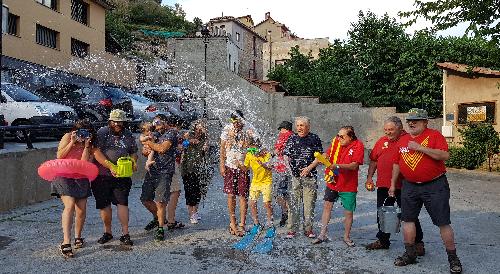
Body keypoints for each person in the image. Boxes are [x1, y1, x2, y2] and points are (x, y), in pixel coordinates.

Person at [389, 108, 462, 273]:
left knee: (443, 222)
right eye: (409, 120)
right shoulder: (402, 140)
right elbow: (396, 164)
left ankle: (453, 258)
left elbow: (444, 156)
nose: (411, 123)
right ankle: (410, 254)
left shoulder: (434, 135)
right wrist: (393, 184)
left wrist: (420, 148)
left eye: (416, 120)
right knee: (408, 220)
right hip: (409, 185)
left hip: (435, 185)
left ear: (425, 122)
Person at [365, 116, 425, 254]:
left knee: (409, 215)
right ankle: (383, 240)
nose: (388, 132)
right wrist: (369, 178)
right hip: (384, 185)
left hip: (405, 185)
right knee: (383, 213)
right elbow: (373, 160)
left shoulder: (408, 140)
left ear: (400, 128)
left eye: (391, 129)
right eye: (386, 129)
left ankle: (418, 243)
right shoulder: (382, 141)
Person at [92, 109, 138, 246]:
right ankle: (108, 232)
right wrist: (110, 166)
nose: (117, 124)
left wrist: (133, 162)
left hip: (122, 175)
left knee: (122, 203)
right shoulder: (102, 132)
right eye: (115, 121)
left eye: (120, 121)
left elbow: (134, 152)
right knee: (104, 205)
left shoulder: (128, 134)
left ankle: (125, 233)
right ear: (110, 121)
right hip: (102, 175)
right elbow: (96, 151)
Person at [312, 126, 364, 247]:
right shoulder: (336, 142)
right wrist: (323, 157)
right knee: (326, 207)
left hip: (348, 185)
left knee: (348, 212)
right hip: (333, 181)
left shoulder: (358, 145)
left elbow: (354, 166)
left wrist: (337, 166)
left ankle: (346, 236)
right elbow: (328, 153)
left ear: (350, 137)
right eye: (338, 135)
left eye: (342, 136)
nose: (339, 138)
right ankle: (322, 234)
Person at [52, 120, 95, 258]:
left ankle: (78, 237)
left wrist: (87, 146)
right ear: (75, 131)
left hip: (80, 176)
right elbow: (59, 156)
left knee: (81, 209)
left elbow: (83, 164)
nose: (83, 135)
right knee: (69, 205)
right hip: (63, 175)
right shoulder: (67, 136)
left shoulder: (89, 144)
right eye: (81, 132)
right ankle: (66, 241)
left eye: (86, 132)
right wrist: (72, 142)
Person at [282, 116, 322, 239]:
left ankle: (308, 229)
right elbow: (286, 154)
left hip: (310, 176)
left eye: (302, 125)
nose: (299, 128)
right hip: (295, 176)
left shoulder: (314, 138)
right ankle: (291, 229)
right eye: (298, 125)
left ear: (308, 127)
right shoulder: (292, 138)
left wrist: (309, 168)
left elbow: (320, 156)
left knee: (309, 204)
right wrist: (287, 162)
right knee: (294, 203)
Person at [141, 114, 178, 241]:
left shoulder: (171, 133)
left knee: (160, 202)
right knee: (145, 199)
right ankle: (158, 218)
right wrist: (146, 148)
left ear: (165, 122)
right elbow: (145, 150)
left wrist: (149, 144)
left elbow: (162, 148)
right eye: (154, 122)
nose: (156, 125)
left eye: (158, 122)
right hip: (152, 170)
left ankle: (161, 228)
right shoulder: (155, 133)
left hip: (165, 171)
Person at [220, 110, 257, 237]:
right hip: (230, 166)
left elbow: (255, 147)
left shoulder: (247, 131)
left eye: (238, 121)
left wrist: (251, 142)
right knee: (231, 195)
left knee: (243, 195)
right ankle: (232, 223)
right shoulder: (227, 130)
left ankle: (242, 224)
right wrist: (222, 165)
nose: (236, 124)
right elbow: (222, 149)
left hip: (243, 167)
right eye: (234, 121)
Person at [238, 139, 274, 229]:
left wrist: (263, 164)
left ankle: (270, 222)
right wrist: (239, 165)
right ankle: (256, 223)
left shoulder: (266, 154)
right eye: (250, 150)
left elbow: (270, 167)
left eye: (254, 150)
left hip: (266, 181)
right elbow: (246, 169)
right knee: (251, 203)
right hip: (255, 182)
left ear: (259, 148)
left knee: (267, 203)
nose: (252, 152)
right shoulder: (249, 155)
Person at [181, 119, 209, 224]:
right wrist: (189, 141)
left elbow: (205, 150)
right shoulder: (188, 135)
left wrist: (205, 146)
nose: (200, 130)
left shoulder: (204, 138)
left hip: (198, 168)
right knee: (189, 191)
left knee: (197, 191)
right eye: (198, 128)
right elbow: (181, 145)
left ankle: (195, 212)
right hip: (187, 168)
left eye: (202, 128)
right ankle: (191, 214)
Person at [166, 115, 185, 230]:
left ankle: (161, 219)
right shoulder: (174, 134)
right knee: (175, 192)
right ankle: (170, 220)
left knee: (165, 193)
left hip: (161, 166)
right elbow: (179, 149)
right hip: (172, 165)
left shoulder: (163, 133)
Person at [273, 121, 294, 227]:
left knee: (278, 193)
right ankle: (290, 213)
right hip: (291, 169)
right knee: (288, 193)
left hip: (282, 169)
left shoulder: (284, 135)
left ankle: (285, 213)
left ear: (284, 129)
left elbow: (276, 151)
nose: (280, 131)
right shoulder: (294, 136)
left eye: (281, 129)